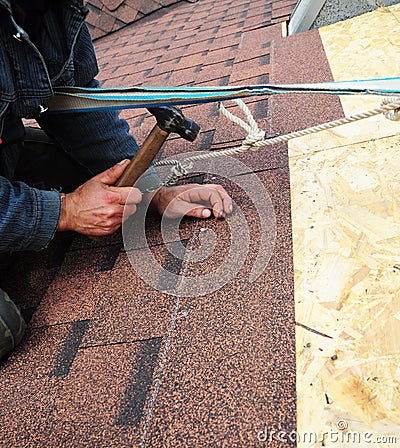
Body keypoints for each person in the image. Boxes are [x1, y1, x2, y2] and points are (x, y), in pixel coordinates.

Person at [0, 0, 232, 359]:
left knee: (92, 179)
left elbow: (75, 104)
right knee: (4, 326)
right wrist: (64, 210)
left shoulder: (50, 9)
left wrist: (152, 191)